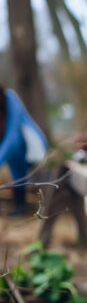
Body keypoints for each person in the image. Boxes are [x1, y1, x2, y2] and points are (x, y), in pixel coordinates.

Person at [0, 85, 47, 215]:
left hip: (32, 147)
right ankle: (19, 204)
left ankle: (20, 203)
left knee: (14, 150)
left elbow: (12, 138)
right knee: (13, 157)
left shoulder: (10, 98)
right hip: (13, 151)